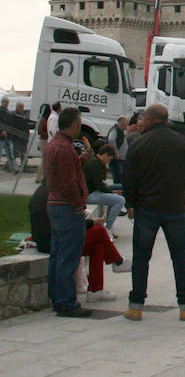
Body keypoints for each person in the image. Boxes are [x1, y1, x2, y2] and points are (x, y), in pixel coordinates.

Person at [123, 104, 185, 322]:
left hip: (146, 209)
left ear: (150, 120)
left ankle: (135, 306)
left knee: (141, 258)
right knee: (180, 258)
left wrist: (130, 204)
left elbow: (128, 179)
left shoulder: (137, 143)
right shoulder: (183, 143)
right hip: (175, 210)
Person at [29, 184, 132, 303]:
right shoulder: (57, 195)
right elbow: (70, 224)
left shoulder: (44, 191)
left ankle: (96, 290)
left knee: (97, 246)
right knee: (99, 231)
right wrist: (91, 222)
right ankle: (117, 262)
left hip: (47, 240)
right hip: (56, 241)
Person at [43, 107, 94, 317]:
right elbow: (68, 182)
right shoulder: (64, 148)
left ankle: (57, 297)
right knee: (68, 256)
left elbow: (67, 171)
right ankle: (66, 302)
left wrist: (82, 159)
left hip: (55, 204)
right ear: (74, 125)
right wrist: (78, 205)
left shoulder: (53, 145)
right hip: (66, 206)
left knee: (57, 253)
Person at [82, 144, 127, 237]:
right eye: (109, 159)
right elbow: (99, 184)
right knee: (120, 200)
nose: (108, 162)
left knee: (115, 197)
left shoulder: (95, 161)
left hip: (90, 191)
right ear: (105, 155)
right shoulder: (95, 164)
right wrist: (112, 193)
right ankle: (108, 228)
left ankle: (108, 226)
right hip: (89, 194)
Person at [106, 116, 128, 184]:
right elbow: (111, 140)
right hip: (117, 160)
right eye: (126, 123)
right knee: (118, 180)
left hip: (121, 160)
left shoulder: (120, 131)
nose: (127, 126)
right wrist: (116, 153)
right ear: (122, 122)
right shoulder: (115, 130)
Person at [0, 97, 19, 173]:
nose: (6, 103)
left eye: (7, 102)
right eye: (4, 101)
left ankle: (14, 169)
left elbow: (10, 124)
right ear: (1, 102)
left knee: (10, 155)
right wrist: (1, 131)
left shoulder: (8, 112)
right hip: (1, 137)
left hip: (8, 137)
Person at [35, 104, 51, 183]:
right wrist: (48, 134)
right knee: (44, 160)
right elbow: (40, 131)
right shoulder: (43, 120)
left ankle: (43, 176)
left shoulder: (45, 119)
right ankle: (39, 177)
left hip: (44, 141)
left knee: (45, 160)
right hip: (43, 141)